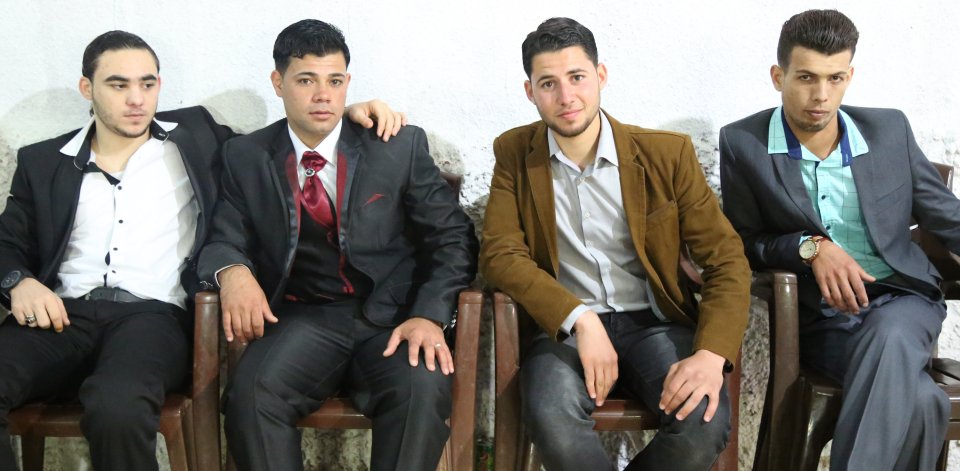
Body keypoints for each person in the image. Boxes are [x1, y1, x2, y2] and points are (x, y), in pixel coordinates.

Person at [0, 30, 402, 471]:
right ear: (87, 88)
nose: (136, 99)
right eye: (118, 85)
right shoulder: (43, 161)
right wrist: (18, 282)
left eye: (147, 84)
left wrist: (347, 114)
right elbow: (8, 243)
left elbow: (282, 140)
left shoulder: (198, 136)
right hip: (60, 315)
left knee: (117, 407)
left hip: (151, 319)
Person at [197, 19, 478, 471]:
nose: (322, 96)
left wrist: (429, 314)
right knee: (250, 396)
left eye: (334, 81)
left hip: (393, 317)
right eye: (306, 80)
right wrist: (232, 273)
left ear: (348, 83)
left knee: (421, 391)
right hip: (302, 317)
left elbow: (452, 238)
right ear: (278, 83)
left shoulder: (396, 146)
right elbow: (221, 237)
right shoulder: (245, 156)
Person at [479, 17, 750, 471]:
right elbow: (500, 255)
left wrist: (710, 354)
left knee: (702, 421)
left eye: (577, 77)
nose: (566, 97)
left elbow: (726, 260)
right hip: (566, 330)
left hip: (656, 324)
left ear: (600, 76)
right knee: (550, 415)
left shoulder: (667, 155)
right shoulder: (514, 153)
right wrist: (580, 319)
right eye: (548, 83)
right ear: (530, 92)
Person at [719, 9, 960, 470]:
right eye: (806, 77)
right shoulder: (743, 143)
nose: (821, 96)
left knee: (889, 332)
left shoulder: (889, 131)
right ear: (778, 76)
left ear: (850, 76)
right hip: (826, 320)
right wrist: (811, 247)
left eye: (835, 78)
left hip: (904, 302)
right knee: (922, 400)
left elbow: (948, 217)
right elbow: (745, 243)